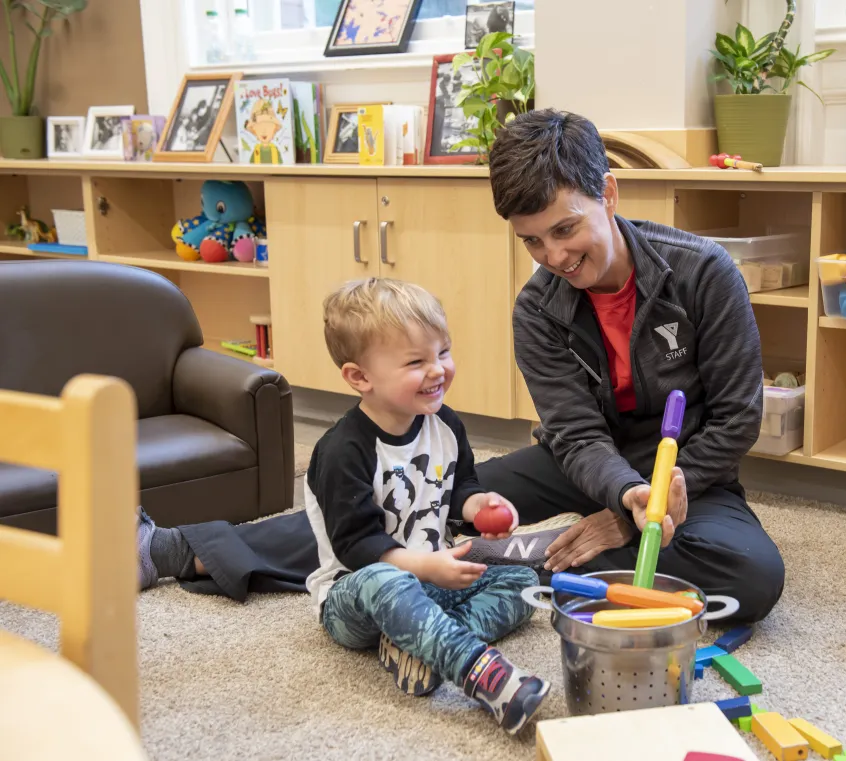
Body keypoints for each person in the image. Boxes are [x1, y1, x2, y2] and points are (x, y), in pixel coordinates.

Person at [138, 108, 784, 624]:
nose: (553, 254)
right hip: (580, 460)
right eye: (531, 239)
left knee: (750, 576)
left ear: (607, 193)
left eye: (566, 229)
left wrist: (639, 508)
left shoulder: (703, 272)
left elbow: (734, 419)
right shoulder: (537, 307)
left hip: (685, 475)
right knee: (400, 494)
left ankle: (508, 560)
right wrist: (619, 493)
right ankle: (183, 547)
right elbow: (577, 433)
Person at [143, 277, 550, 735]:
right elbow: (357, 545)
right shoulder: (342, 450)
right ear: (360, 377)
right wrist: (425, 567)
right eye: (417, 361)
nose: (438, 370)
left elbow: (461, 488)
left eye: (443, 352)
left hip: (429, 578)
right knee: (385, 581)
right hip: (355, 593)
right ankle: (484, 674)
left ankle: (419, 642)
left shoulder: (444, 424)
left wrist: (480, 505)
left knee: (520, 581)